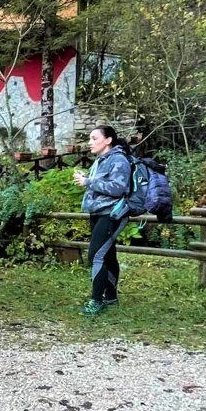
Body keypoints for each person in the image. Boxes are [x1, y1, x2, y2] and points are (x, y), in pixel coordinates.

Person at [73, 125, 133, 316]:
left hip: (112, 214)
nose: (89, 142)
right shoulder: (101, 161)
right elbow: (101, 186)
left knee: (96, 255)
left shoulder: (119, 160)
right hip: (98, 213)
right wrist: (86, 179)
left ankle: (96, 301)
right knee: (107, 255)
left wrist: (88, 182)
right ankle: (111, 296)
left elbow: (118, 188)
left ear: (108, 140)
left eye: (94, 138)